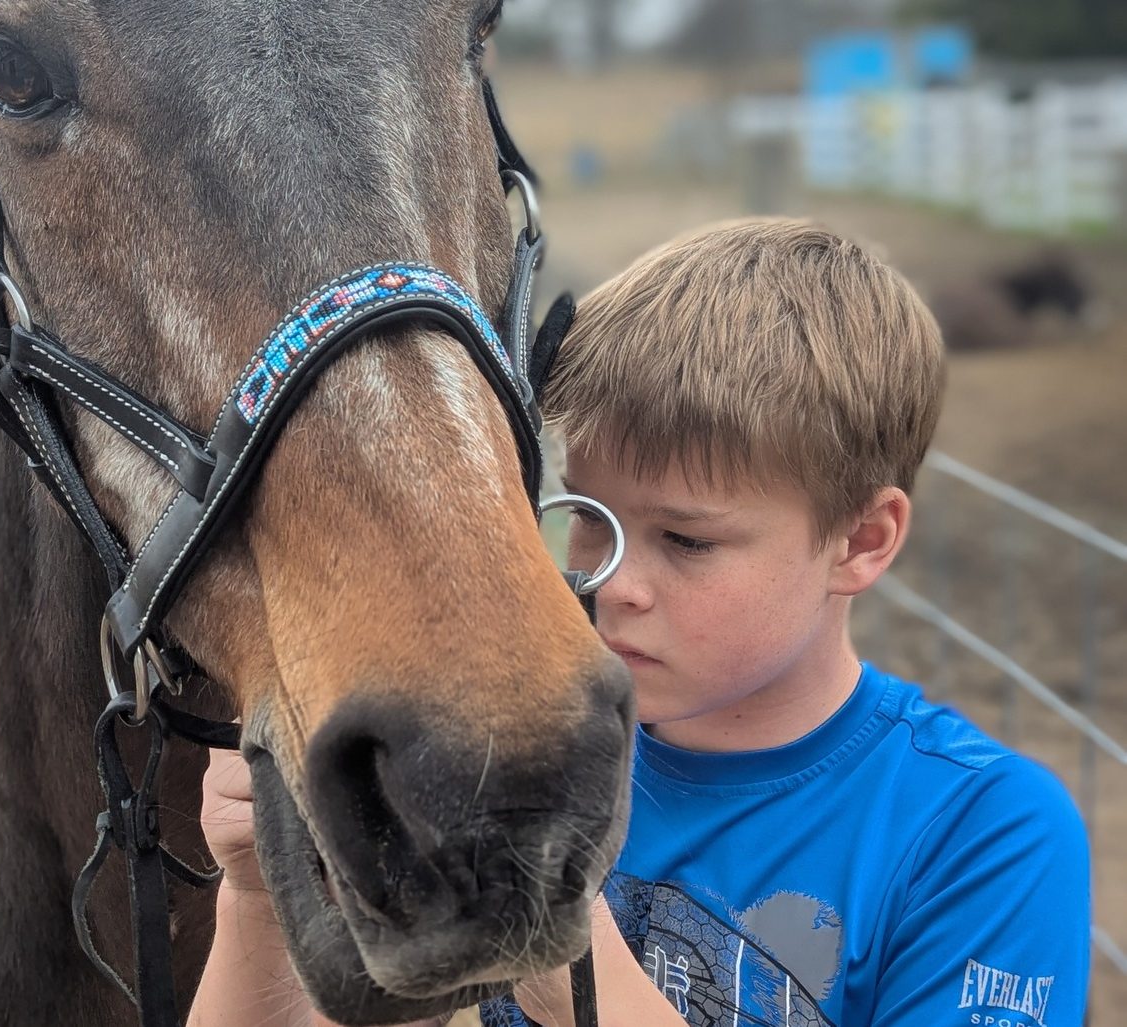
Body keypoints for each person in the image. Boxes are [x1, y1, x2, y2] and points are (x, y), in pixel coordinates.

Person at [187, 218, 1092, 1027]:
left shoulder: (984, 833)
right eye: (586, 514)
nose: (608, 579)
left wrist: (560, 950)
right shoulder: (514, 753)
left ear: (862, 539)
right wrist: (263, 902)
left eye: (686, 541)